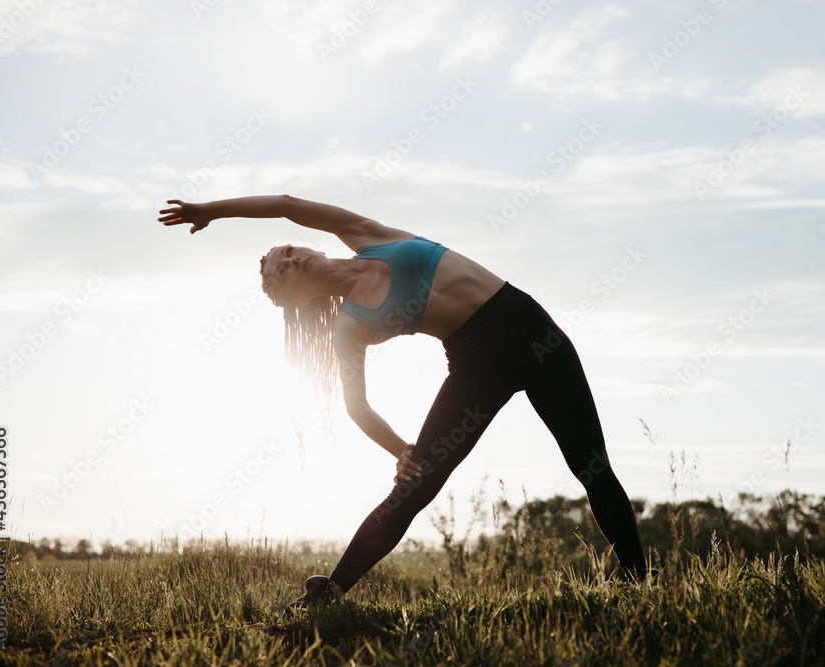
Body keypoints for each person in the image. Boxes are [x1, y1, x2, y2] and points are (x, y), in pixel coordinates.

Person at [158, 194, 648, 612]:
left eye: (288, 251)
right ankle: (329, 591)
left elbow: (286, 204)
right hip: (476, 368)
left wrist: (212, 210)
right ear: (298, 299)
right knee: (415, 487)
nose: (292, 260)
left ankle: (636, 586)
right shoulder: (351, 325)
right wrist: (403, 451)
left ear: (306, 244)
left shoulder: (368, 235)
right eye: (283, 272)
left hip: (536, 335)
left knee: (591, 466)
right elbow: (357, 406)